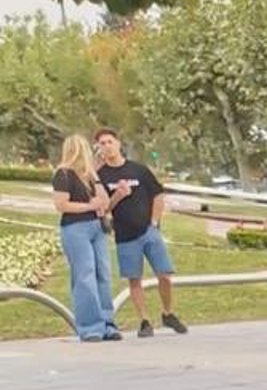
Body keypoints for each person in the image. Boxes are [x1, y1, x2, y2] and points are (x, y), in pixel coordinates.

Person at [94, 129, 186, 337]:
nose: (107, 146)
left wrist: (154, 221)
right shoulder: (101, 177)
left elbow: (158, 195)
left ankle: (168, 313)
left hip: (148, 230)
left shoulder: (138, 170)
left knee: (164, 274)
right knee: (134, 279)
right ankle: (144, 320)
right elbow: (103, 208)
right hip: (125, 235)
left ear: (118, 143)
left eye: (110, 141)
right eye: (102, 143)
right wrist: (118, 195)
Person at [51, 135, 119, 342]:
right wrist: (89, 206)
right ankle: (90, 326)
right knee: (85, 274)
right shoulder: (63, 174)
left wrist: (95, 177)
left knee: (103, 274)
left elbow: (104, 202)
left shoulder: (90, 175)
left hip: (96, 227)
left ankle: (107, 323)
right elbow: (61, 205)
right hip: (75, 227)